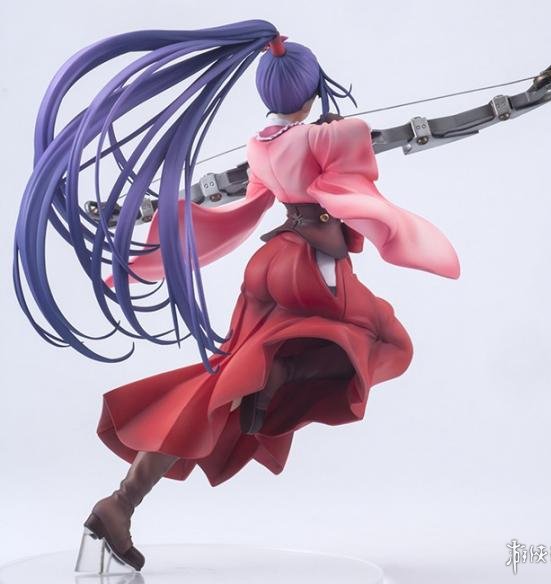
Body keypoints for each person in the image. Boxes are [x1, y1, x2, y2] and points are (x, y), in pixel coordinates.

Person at [13, 20, 459, 571]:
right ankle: (275, 376)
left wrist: (159, 210)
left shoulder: (261, 143)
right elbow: (360, 167)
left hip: (266, 266)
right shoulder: (332, 135)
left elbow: (243, 193)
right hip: (311, 267)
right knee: (384, 339)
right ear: (311, 90)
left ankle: (121, 502)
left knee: (221, 380)